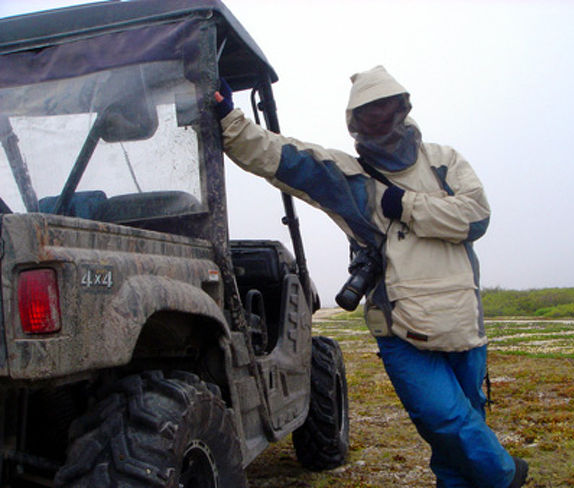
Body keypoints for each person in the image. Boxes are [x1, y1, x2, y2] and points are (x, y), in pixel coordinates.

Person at [214, 65, 529, 488]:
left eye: (385, 108)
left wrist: (409, 206)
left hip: (462, 322)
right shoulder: (351, 180)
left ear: (403, 107)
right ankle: (505, 475)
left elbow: (477, 217)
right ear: (354, 124)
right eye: (368, 114)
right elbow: (281, 157)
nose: (379, 119)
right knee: (443, 418)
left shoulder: (444, 161)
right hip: (400, 328)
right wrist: (229, 120)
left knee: (457, 430)